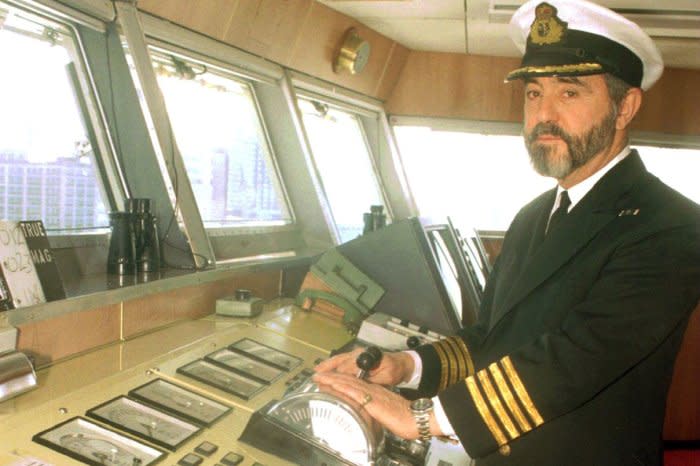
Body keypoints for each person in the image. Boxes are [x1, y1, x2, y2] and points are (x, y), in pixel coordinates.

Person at [314, 0, 700, 464]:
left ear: (625, 106)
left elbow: (574, 360)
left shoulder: (672, 227)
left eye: (569, 93)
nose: (542, 115)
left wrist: (422, 418)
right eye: (534, 94)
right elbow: (490, 340)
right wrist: (407, 367)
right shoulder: (533, 217)